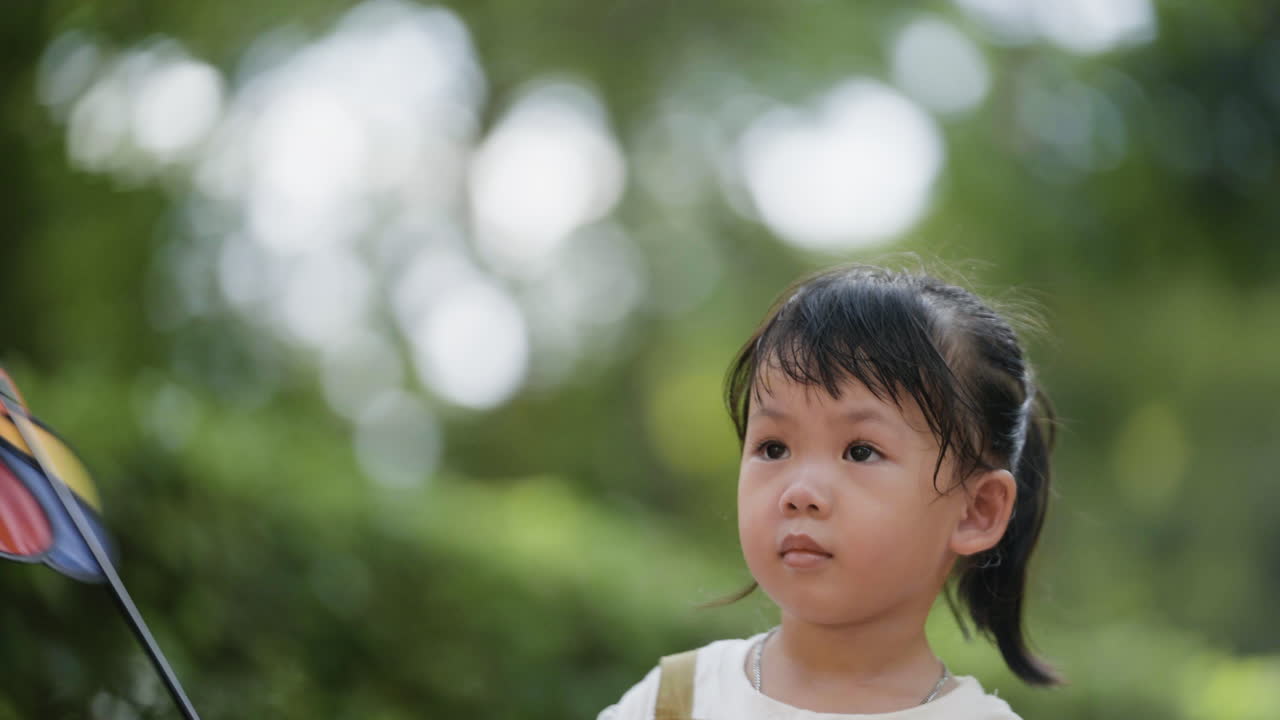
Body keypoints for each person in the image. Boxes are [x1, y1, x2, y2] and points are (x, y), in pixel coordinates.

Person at [598, 264, 1061, 720]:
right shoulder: (675, 701)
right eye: (774, 447)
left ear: (975, 511)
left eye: (860, 452)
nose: (799, 492)